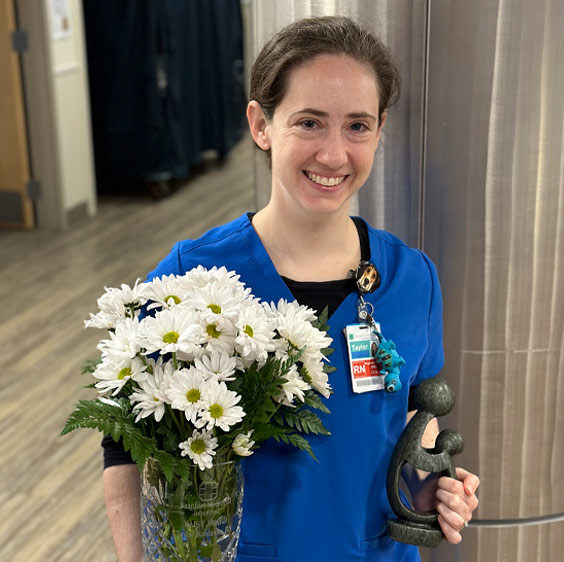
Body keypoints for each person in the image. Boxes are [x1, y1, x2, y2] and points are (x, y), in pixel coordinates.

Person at [102, 15, 479, 562]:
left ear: (380, 128)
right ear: (261, 124)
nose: (333, 154)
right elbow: (125, 442)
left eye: (357, 125)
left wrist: (429, 490)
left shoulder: (411, 278)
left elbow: (413, 420)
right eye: (308, 122)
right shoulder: (192, 278)